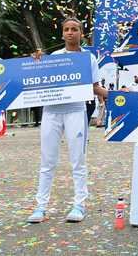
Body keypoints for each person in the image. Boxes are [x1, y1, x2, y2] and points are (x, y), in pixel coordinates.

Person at [27, 17, 108, 224]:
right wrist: (35, 61)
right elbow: (39, 79)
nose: (71, 32)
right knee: (47, 161)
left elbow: (94, 86)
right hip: (52, 112)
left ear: (81, 34)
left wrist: (114, 96)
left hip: (76, 111)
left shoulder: (88, 58)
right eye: (67, 29)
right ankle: (40, 206)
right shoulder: (54, 57)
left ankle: (79, 204)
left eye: (75, 29)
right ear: (62, 34)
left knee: (77, 161)